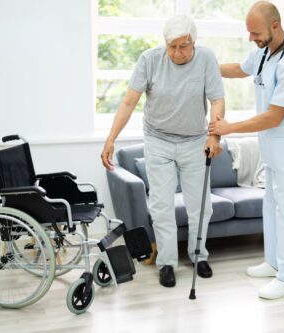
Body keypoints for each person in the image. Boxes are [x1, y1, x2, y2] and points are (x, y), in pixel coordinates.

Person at [101, 14, 225, 288]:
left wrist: (214, 136)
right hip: (158, 141)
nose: (177, 53)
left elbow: (217, 99)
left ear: (194, 42)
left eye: (184, 46)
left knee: (200, 206)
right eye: (172, 46)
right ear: (164, 43)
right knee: (161, 206)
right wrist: (111, 138)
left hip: (195, 141)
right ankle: (167, 263)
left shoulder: (206, 59)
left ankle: (198, 255)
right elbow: (128, 102)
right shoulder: (149, 59)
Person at [208, 1, 284, 300]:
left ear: (275, 26)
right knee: (271, 208)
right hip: (272, 150)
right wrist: (203, 65)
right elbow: (237, 70)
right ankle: (272, 262)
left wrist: (229, 128)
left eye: (255, 33)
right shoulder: (263, 51)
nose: (251, 39)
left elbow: (273, 116)